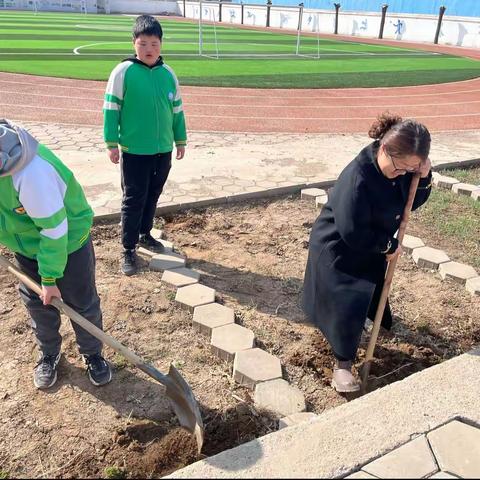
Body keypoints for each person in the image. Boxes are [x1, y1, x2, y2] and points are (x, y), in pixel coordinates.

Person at [303, 113, 432, 393]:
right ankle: (343, 365)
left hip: (370, 242)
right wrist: (387, 245)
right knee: (346, 303)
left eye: (411, 169)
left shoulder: (400, 167)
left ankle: (363, 329)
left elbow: (410, 200)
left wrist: (422, 178)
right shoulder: (358, 176)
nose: (402, 174)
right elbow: (352, 231)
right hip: (339, 247)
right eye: (401, 168)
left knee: (368, 293)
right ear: (385, 149)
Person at [0, 120, 112, 389]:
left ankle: (92, 353)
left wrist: (49, 279)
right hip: (26, 245)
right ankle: (49, 353)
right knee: (38, 303)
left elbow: (53, 229)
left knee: (80, 302)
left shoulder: (31, 173)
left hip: (68, 241)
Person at [103, 14, 187, 276]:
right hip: (134, 151)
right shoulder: (123, 72)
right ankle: (128, 248)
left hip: (162, 150)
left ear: (161, 45)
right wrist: (112, 143)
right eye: (143, 44)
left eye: (154, 44)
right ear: (134, 44)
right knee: (133, 198)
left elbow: (177, 111)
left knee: (153, 194)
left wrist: (180, 139)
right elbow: (111, 109)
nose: (149, 49)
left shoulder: (168, 73)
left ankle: (144, 233)